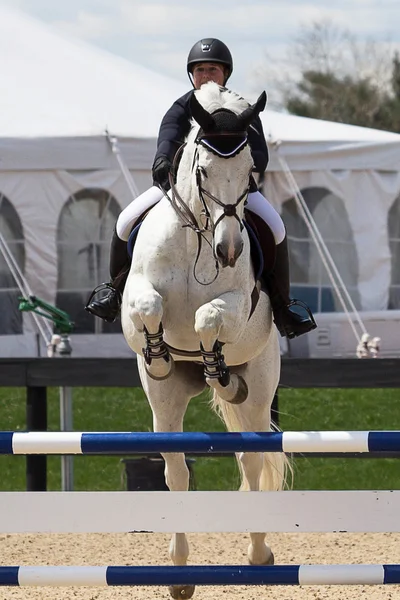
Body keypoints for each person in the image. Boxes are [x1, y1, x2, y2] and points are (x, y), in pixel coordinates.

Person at [85, 38, 316, 339]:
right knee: (126, 220)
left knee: (277, 227)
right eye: (201, 70)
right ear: (192, 74)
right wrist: (163, 160)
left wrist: (234, 154)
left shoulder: (241, 109)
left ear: (225, 74)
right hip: (179, 189)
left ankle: (284, 308)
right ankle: (113, 291)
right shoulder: (184, 106)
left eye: (213, 70)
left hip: (234, 193)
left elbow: (260, 156)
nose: (206, 75)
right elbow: (167, 137)